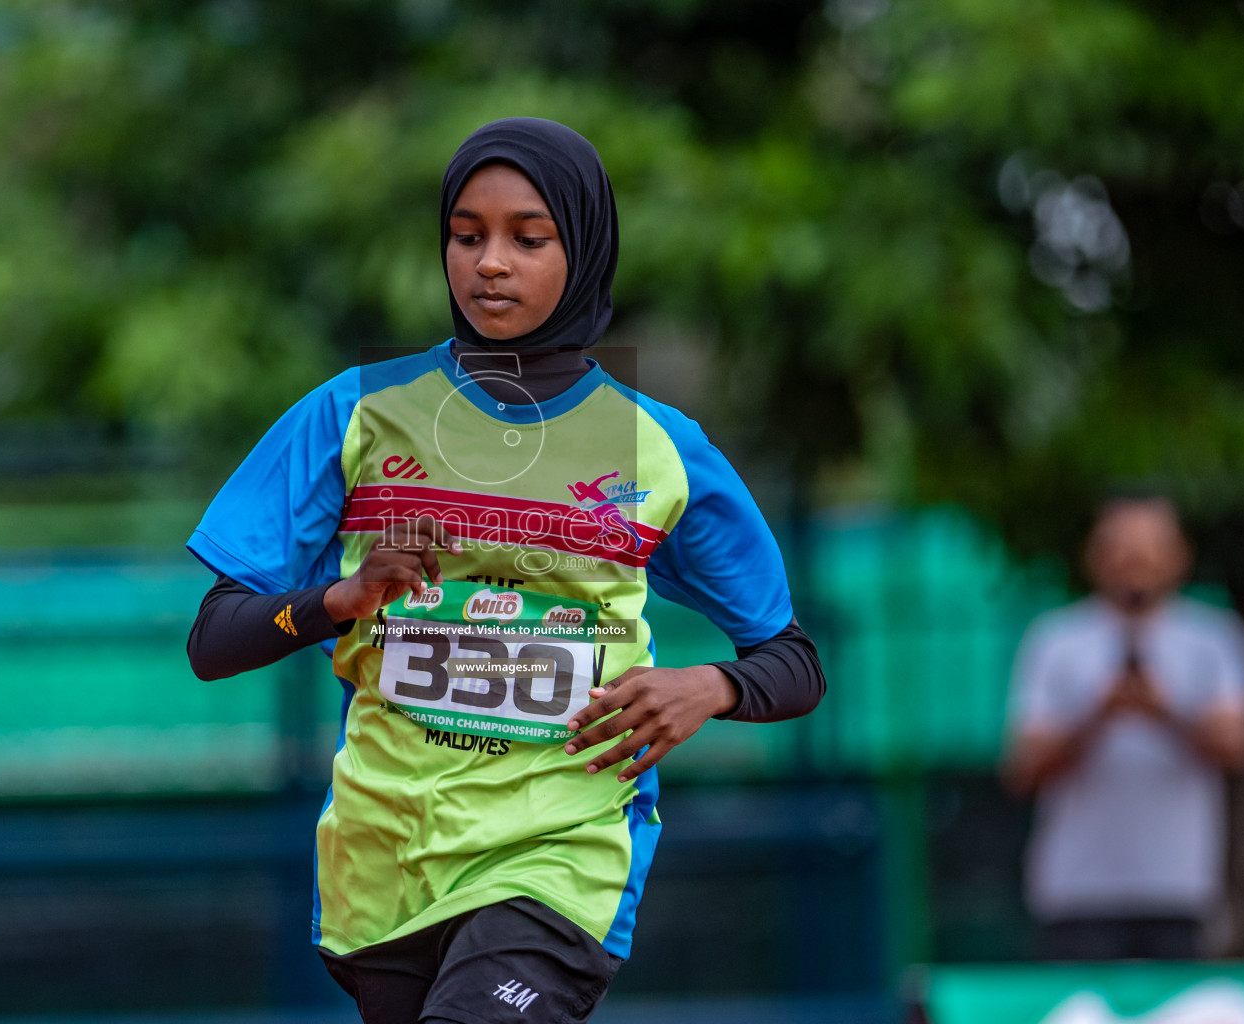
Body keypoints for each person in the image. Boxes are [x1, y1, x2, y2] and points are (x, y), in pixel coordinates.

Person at [186, 117, 825, 1023]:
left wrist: (708, 688)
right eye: (466, 235)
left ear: (586, 248)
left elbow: (793, 662)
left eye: (529, 238)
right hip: (386, 862)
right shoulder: (356, 412)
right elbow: (213, 640)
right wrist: (339, 597)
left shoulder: (660, 449)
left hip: (561, 851)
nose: (490, 263)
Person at [1004, 497, 1244, 960]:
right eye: (1123, 548)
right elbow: (1023, 768)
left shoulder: (1214, 638)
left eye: (1149, 549)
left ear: (1179, 556)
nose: (1135, 562)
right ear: (1095, 556)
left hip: (1181, 888)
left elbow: (1238, 748)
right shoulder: (1057, 640)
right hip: (1077, 892)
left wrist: (1164, 712)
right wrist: (1099, 717)